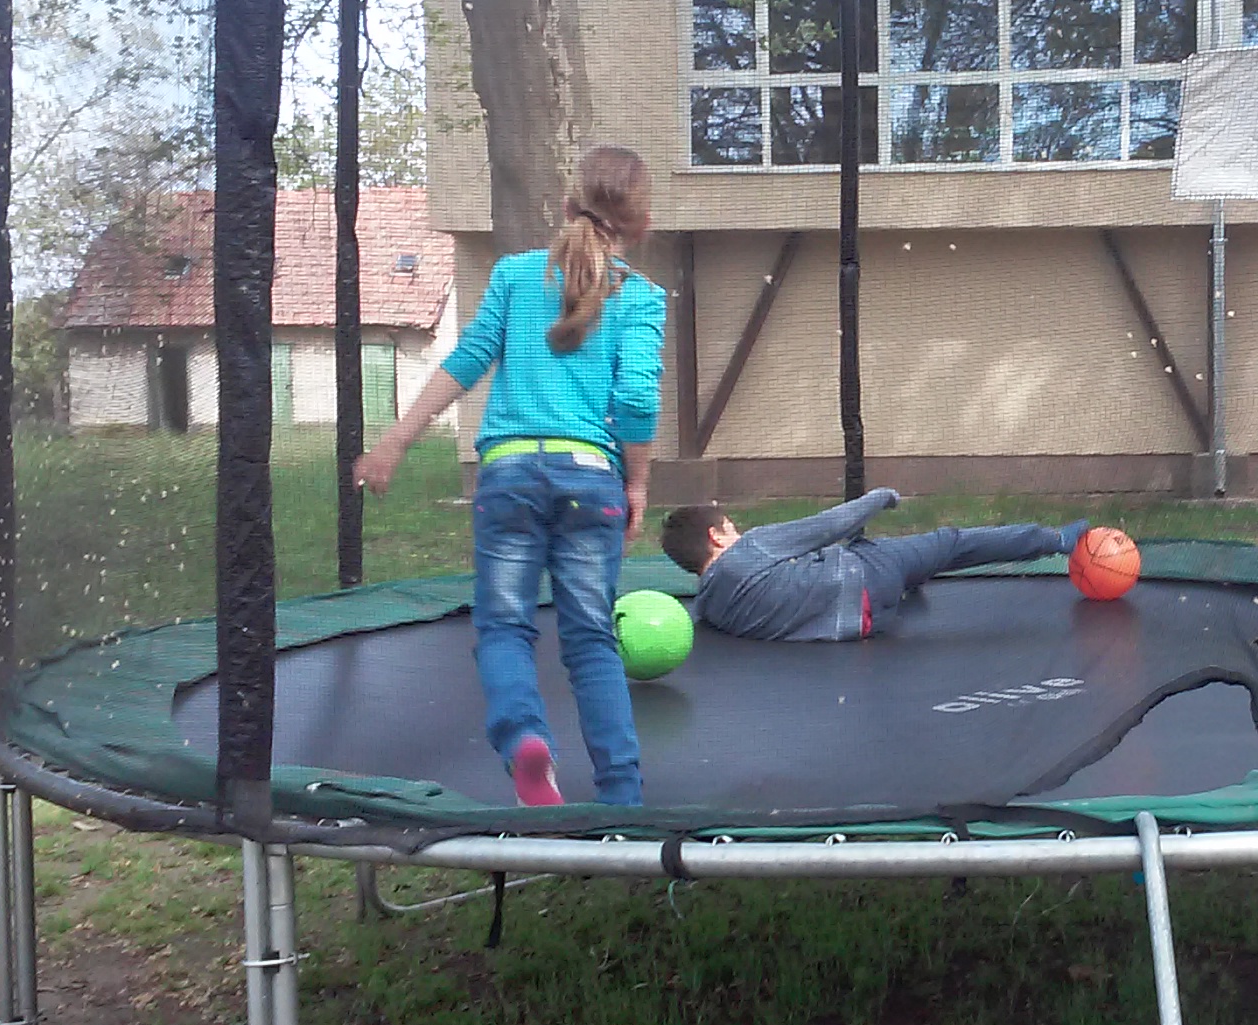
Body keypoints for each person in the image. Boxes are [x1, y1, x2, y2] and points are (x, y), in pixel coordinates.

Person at [354, 145, 665, 808]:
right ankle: (622, 796)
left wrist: (395, 441)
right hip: (591, 479)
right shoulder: (640, 298)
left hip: (509, 476)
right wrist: (636, 483)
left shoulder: (516, 276)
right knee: (592, 641)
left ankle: (525, 738)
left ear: (566, 205)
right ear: (642, 226)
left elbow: (467, 361)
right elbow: (637, 399)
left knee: (504, 628)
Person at [661, 490, 1086, 642]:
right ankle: (1056, 541)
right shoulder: (749, 549)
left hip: (858, 626)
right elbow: (827, 526)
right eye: (731, 528)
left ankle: (910, 579)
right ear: (717, 537)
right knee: (950, 543)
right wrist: (879, 498)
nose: (738, 532)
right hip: (867, 578)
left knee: (894, 560)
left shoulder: (711, 608)